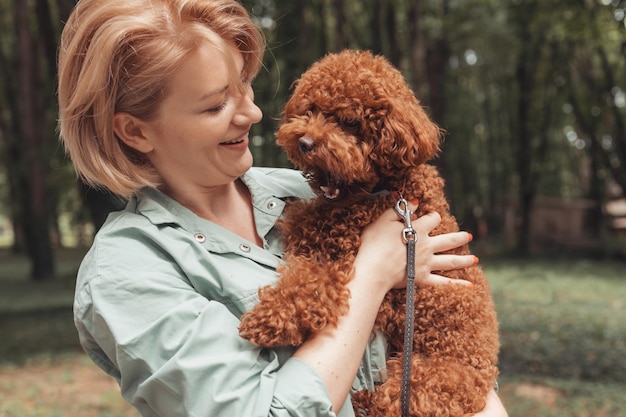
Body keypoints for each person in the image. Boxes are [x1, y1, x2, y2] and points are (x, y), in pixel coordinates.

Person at [57, 1, 508, 416]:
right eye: (216, 105)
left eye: (245, 86)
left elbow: (449, 339)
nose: (252, 114)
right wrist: (371, 272)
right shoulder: (128, 272)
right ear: (135, 131)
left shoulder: (316, 190)